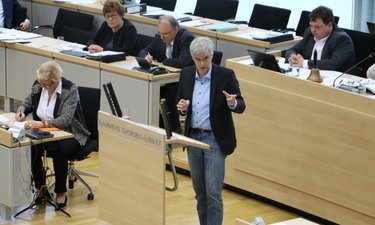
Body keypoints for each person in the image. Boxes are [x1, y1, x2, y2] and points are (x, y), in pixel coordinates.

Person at [176, 36, 246, 225]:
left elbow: (241, 105)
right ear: (192, 58)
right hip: (193, 139)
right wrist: (182, 107)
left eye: (205, 58)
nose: (202, 63)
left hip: (215, 139)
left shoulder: (226, 75)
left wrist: (233, 103)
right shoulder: (186, 74)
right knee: (200, 192)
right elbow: (181, 103)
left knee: (213, 192)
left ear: (212, 55)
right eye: (198, 59)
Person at [15, 61, 90, 208]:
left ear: (55, 81)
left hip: (70, 133)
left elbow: (65, 119)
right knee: (31, 146)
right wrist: (21, 111)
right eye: (42, 83)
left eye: (47, 84)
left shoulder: (70, 89)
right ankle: (41, 188)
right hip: (44, 131)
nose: (43, 87)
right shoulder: (38, 85)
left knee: (60, 149)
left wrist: (42, 124)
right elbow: (27, 102)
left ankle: (61, 192)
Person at [139, 15, 195, 132]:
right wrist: (146, 56)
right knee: (146, 88)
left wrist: (161, 62)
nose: (162, 37)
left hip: (184, 80)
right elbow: (144, 50)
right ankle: (157, 125)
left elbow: (183, 62)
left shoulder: (187, 38)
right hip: (166, 78)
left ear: (176, 30)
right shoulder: (160, 36)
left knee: (168, 92)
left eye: (166, 34)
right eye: (160, 33)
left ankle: (174, 129)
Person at [285, 6, 356, 72]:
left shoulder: (342, 39)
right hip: (308, 74)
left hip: (336, 79)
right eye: (311, 26)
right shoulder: (309, 32)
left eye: (317, 27)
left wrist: (304, 63)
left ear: (329, 25)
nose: (313, 30)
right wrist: (292, 57)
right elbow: (292, 49)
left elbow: (333, 64)